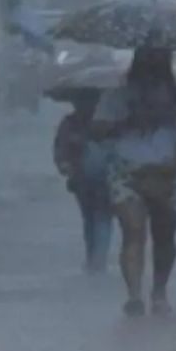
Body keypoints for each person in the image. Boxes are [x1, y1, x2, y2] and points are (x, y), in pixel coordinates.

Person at [93, 46, 176, 316]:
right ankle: (134, 295)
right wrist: (125, 121)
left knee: (164, 235)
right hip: (126, 172)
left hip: (168, 173)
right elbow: (98, 130)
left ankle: (159, 292)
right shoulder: (118, 97)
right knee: (133, 231)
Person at [53, 90, 113, 273]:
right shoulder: (70, 123)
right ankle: (94, 257)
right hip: (83, 179)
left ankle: (97, 259)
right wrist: (65, 165)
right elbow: (61, 149)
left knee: (100, 216)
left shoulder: (109, 122)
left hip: (105, 178)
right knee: (92, 218)